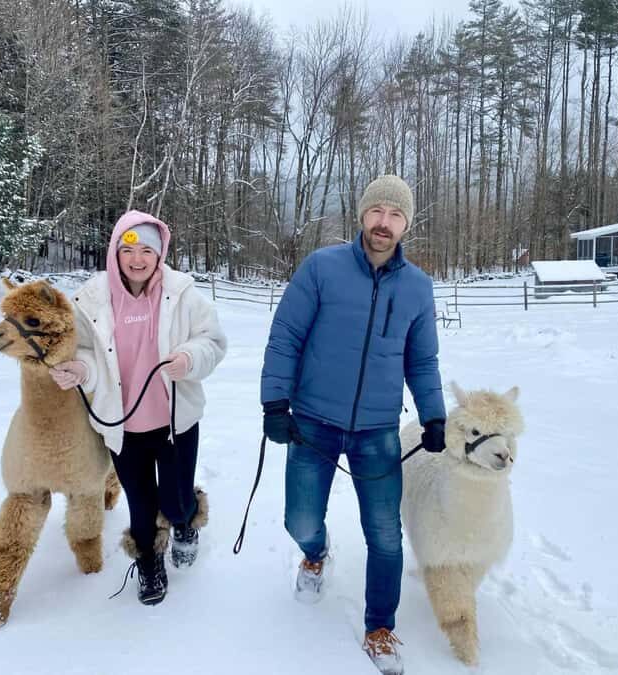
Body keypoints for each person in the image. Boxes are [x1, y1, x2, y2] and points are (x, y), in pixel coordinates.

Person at [260, 175, 446, 674]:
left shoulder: (417, 288)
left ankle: (380, 627)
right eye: (377, 211)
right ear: (362, 214)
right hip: (313, 422)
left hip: (378, 430)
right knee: (298, 519)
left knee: (385, 536)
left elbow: (422, 361)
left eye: (396, 215)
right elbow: (286, 337)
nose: (384, 223)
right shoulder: (322, 268)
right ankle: (315, 552)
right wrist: (275, 401)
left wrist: (433, 415)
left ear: (407, 224)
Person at [50, 210, 226, 605]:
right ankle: (148, 560)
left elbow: (212, 341)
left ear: (160, 253)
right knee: (141, 504)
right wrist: (80, 370)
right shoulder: (92, 298)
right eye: (129, 248)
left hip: (174, 421)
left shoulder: (183, 293)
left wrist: (189, 358)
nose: (138, 258)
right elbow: (84, 352)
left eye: (148, 249)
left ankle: (185, 521)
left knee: (175, 503)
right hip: (122, 426)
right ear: (115, 249)